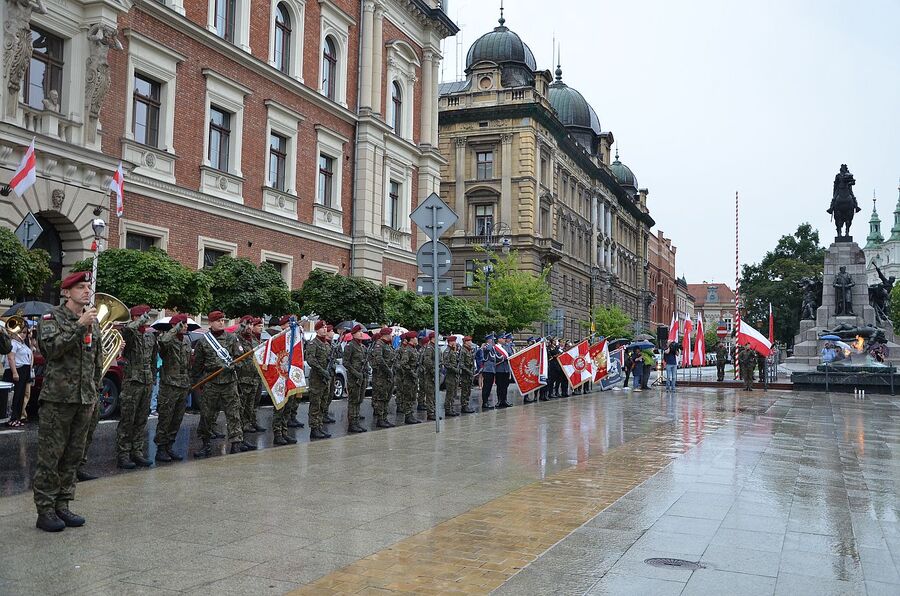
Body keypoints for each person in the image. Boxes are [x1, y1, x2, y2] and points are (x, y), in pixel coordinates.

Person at [33, 271, 101, 532]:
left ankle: (62, 504)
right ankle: (45, 510)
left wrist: (94, 393)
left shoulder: (92, 321)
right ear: (66, 292)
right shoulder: (51, 318)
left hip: (83, 399)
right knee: (51, 457)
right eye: (80, 287)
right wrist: (79, 325)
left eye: (88, 287)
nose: (86, 291)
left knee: (73, 457)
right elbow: (51, 350)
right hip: (58, 399)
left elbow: (96, 360)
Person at [192, 310, 253, 456]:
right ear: (210, 323)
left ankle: (236, 443)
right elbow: (197, 365)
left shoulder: (232, 339)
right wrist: (197, 382)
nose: (221, 323)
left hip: (229, 383)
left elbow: (241, 360)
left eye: (222, 320)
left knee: (234, 414)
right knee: (207, 415)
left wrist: (232, 366)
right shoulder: (203, 341)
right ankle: (205, 443)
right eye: (218, 321)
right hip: (211, 383)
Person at [115, 304, 158, 469]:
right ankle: (123, 454)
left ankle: (137, 451)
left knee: (141, 419)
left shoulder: (150, 336)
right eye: (142, 316)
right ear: (134, 318)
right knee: (127, 420)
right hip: (132, 382)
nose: (145, 319)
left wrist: (152, 377)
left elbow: (153, 359)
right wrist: (138, 322)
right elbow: (127, 331)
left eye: (146, 316)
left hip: (146, 382)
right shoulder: (129, 333)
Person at [153, 314, 192, 462]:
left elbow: (188, 364)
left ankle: (169, 446)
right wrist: (175, 329)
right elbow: (162, 342)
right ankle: (161, 449)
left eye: (186, 324)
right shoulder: (167, 340)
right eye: (182, 324)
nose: (185, 326)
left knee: (177, 419)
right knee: (165, 418)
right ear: (174, 326)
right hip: (169, 386)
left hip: (183, 385)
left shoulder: (186, 341)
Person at [301, 320, 332, 441]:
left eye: (325, 327)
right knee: (315, 404)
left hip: (325, 378)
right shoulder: (313, 343)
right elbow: (311, 360)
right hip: (317, 378)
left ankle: (319, 426)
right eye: (322, 328)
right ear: (317, 330)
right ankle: (314, 429)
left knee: (323, 403)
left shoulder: (327, 344)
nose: (325, 329)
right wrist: (322, 370)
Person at [236, 315, 266, 435]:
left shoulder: (253, 341)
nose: (249, 327)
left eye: (251, 324)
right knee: (241, 405)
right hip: (242, 378)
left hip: (254, 377)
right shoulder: (236, 339)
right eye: (247, 324)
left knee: (252, 403)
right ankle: (240, 428)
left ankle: (249, 422)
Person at [3, 322, 32, 428]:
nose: (24, 334)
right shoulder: (13, 343)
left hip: (24, 370)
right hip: (16, 370)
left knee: (20, 396)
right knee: (14, 396)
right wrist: (15, 372)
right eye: (21, 332)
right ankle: (11, 419)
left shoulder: (23, 344)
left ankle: (17, 418)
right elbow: (11, 358)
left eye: (25, 332)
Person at [277, 315, 305, 429]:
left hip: (293, 372)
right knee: (282, 404)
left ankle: (290, 419)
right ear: (283, 326)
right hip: (282, 374)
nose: (292, 326)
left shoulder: (294, 336)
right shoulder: (280, 338)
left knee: (293, 400)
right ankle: (281, 427)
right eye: (289, 324)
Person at [343, 325, 368, 433]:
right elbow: (346, 362)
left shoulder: (362, 347)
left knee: (359, 400)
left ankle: (356, 422)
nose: (361, 333)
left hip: (362, 377)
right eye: (359, 332)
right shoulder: (350, 346)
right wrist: (356, 373)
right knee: (353, 401)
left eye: (361, 331)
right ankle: (352, 424)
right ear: (353, 334)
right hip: (354, 378)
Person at [371, 327, 396, 428]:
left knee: (387, 397)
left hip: (388, 376)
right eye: (390, 334)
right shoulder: (379, 344)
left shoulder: (387, 345)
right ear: (386, 335)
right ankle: (380, 419)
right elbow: (379, 359)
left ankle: (384, 418)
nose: (392, 336)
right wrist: (388, 370)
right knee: (381, 398)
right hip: (381, 376)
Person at [397, 331, 421, 424]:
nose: (417, 339)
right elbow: (403, 363)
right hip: (408, 378)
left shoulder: (413, 349)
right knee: (408, 396)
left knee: (412, 396)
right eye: (415, 338)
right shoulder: (408, 350)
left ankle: (410, 415)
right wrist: (411, 372)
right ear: (412, 339)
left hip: (413, 377)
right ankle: (408, 416)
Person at [419, 332, 437, 420]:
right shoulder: (429, 348)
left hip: (435, 374)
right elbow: (427, 361)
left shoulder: (434, 347)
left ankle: (433, 411)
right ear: (433, 338)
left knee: (434, 394)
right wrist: (433, 371)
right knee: (430, 394)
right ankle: (431, 413)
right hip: (430, 374)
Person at [442, 335, 461, 416]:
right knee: (450, 393)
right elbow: (446, 363)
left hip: (454, 376)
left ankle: (451, 408)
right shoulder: (447, 351)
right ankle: (447, 409)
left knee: (454, 393)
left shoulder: (453, 351)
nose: (455, 343)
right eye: (454, 341)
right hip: (450, 375)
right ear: (450, 342)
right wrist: (455, 369)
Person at [480, 334, 497, 409]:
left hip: (492, 370)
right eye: (493, 340)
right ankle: (484, 402)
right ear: (489, 340)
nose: (494, 341)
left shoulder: (492, 348)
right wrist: (489, 343)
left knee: (489, 387)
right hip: (487, 370)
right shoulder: (487, 347)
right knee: (486, 387)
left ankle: (486, 401)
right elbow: (487, 350)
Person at [459, 336, 476, 413]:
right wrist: (469, 371)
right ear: (465, 342)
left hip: (469, 374)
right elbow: (461, 364)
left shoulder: (469, 350)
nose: (471, 342)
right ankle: (464, 406)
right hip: (465, 375)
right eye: (469, 341)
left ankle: (466, 404)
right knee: (465, 391)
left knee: (468, 390)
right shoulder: (463, 351)